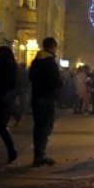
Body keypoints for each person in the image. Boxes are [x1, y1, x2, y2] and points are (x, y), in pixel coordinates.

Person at [29, 37, 63, 166]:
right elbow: (54, 81)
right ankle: (40, 155)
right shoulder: (50, 62)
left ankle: (38, 154)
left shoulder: (36, 61)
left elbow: (31, 77)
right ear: (52, 47)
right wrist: (60, 82)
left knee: (38, 127)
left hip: (36, 97)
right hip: (47, 98)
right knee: (45, 127)